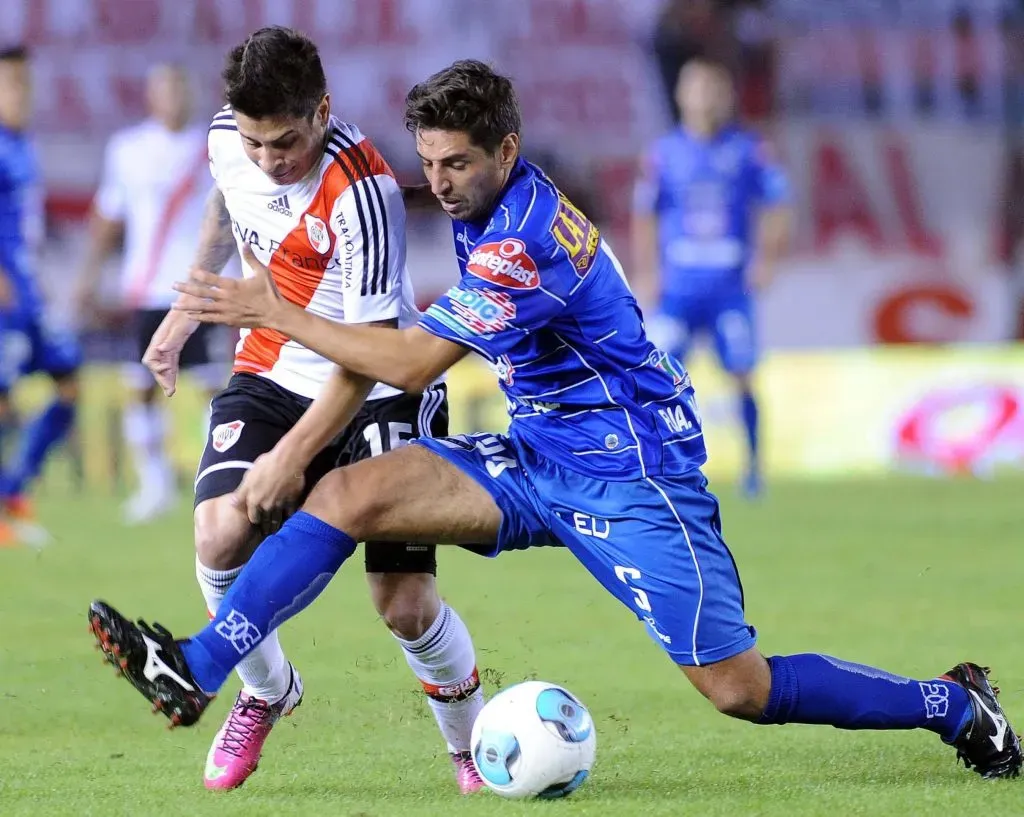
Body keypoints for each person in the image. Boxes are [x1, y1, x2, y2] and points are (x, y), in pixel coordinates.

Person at [89, 58, 1021, 782]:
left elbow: (408, 362)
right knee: (347, 495)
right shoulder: (479, 202)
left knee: (739, 687)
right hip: (537, 454)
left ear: (508, 148)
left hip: (631, 474)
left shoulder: (526, 238)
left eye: (458, 163)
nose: (440, 182)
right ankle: (198, 665)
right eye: (429, 163)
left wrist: (275, 310)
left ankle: (952, 703)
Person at [98, 29, 486, 794]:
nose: (269, 160)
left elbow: (366, 357)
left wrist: (292, 455)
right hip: (272, 367)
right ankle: (267, 690)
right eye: (254, 142)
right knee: (218, 532)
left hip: (379, 384)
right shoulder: (227, 140)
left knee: (404, 603)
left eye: (285, 142)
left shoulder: (364, 192)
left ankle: (472, 748)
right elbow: (227, 203)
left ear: (323, 111)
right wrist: (186, 308)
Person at [632, 58, 791, 497]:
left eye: (711, 88)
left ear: (725, 96)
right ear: (680, 95)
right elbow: (645, 215)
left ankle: (754, 469)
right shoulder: (663, 154)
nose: (703, 97)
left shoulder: (747, 149)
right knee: (657, 378)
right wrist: (647, 271)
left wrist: (767, 259)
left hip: (729, 288)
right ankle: (655, 467)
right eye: (695, 87)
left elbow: (778, 203)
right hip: (678, 289)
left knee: (741, 372)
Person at [76, 64, 225, 525]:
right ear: (151, 96)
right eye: (165, 89)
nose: (173, 97)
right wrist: (90, 277)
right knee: (139, 386)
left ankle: (214, 479)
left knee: (213, 386)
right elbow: (109, 215)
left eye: (180, 88)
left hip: (201, 286)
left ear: (191, 94)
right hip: (146, 287)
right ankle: (153, 485)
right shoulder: (129, 149)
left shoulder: (214, 146)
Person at [0, 45, 81, 545]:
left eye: (25, 84)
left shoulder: (23, 143)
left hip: (28, 289)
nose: (21, 94)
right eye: (11, 84)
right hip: (5, 292)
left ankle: (12, 490)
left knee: (68, 384)